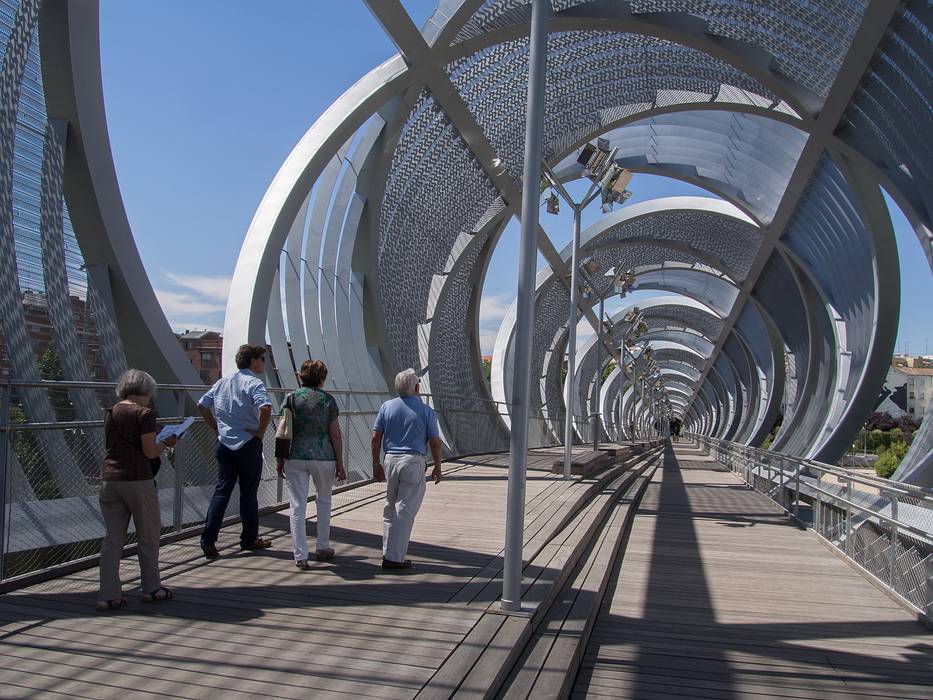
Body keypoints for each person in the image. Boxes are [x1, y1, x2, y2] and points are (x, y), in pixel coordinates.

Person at [97, 369, 177, 611]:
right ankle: (152, 588)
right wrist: (167, 442)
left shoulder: (111, 411)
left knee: (112, 540)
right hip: (138, 479)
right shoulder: (144, 413)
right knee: (148, 536)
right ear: (147, 391)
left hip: (110, 479)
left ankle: (108, 595)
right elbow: (149, 452)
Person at [198, 344, 273, 558]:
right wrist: (259, 432)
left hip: (224, 444)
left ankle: (208, 539)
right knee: (248, 494)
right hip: (247, 444)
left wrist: (215, 426)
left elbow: (202, 405)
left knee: (221, 491)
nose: (264, 364)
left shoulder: (222, 382)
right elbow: (266, 408)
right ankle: (249, 539)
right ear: (253, 362)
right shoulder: (254, 383)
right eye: (262, 359)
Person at [276, 360, 346, 570]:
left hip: (295, 455)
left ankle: (300, 555)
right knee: (324, 501)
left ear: (301, 376)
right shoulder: (328, 400)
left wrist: (280, 459)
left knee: (297, 505)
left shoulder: (291, 398)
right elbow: (335, 433)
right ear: (322, 378)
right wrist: (340, 462)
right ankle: (322, 547)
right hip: (324, 456)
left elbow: (283, 430)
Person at [371, 368, 442, 570]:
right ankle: (394, 557)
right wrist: (438, 466)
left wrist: (376, 463)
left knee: (390, 506)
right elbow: (435, 443)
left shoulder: (387, 407)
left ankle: (388, 550)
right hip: (413, 460)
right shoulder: (426, 411)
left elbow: (376, 438)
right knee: (405, 509)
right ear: (417, 387)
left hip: (391, 459)